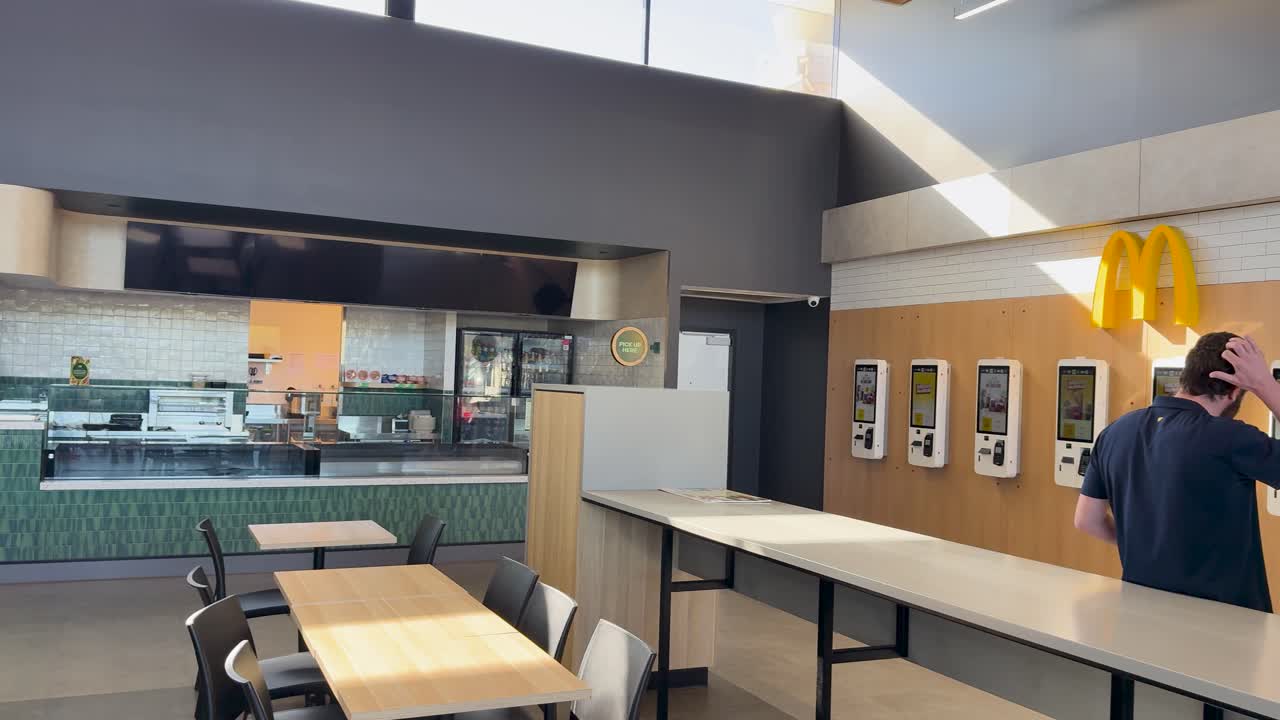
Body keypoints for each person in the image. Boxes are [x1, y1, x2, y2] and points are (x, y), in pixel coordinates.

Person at [1074, 332, 1280, 612]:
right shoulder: (1231, 438)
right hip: (1226, 621)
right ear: (1234, 391)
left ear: (1187, 376)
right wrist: (1265, 385)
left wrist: (1145, 545)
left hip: (1141, 613)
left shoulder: (1115, 432)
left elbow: (1086, 520)